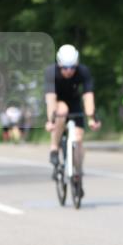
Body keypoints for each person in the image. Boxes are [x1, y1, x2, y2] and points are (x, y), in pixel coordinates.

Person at [44, 44, 101, 190]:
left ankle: (78, 172)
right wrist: (50, 121)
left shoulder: (83, 71)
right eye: (65, 67)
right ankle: (54, 147)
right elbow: (51, 99)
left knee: (79, 138)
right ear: (59, 65)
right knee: (62, 110)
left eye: (72, 67)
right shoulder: (51, 72)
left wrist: (92, 118)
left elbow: (88, 97)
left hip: (74, 101)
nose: (69, 71)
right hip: (58, 101)